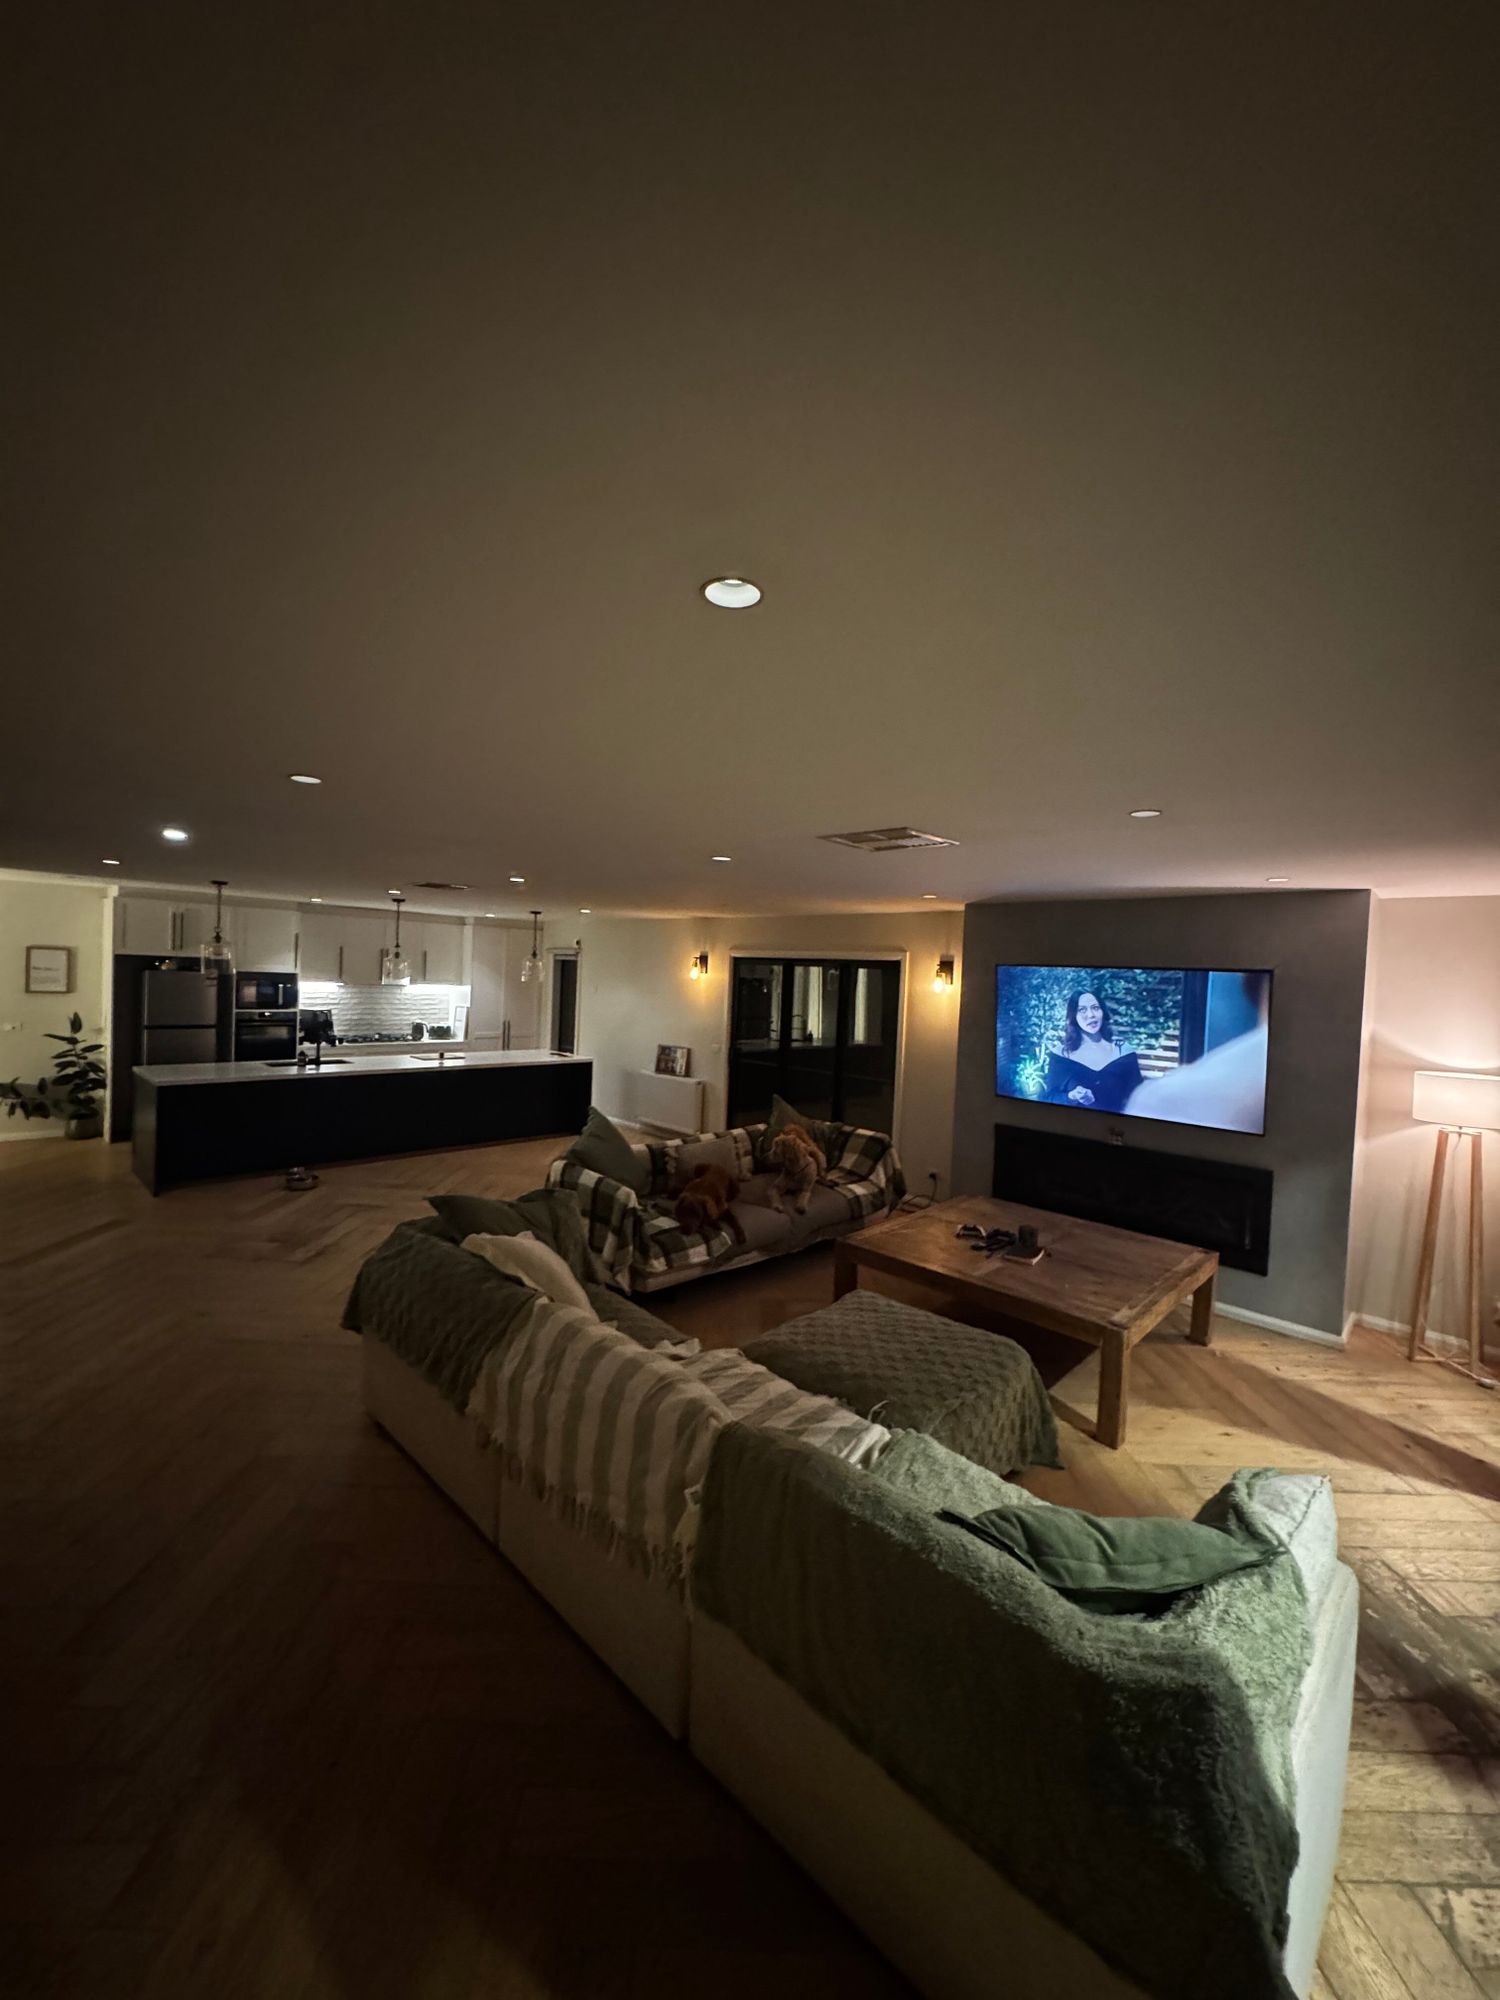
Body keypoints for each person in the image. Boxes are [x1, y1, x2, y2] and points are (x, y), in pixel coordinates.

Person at [1043, 990, 1143, 1113]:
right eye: (1082, 1010)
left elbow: (1139, 1099)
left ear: (1103, 1012)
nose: (1091, 1015)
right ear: (1073, 1016)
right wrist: (1071, 1097)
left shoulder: (1123, 1052)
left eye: (1095, 1008)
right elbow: (1050, 1098)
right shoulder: (1061, 1055)